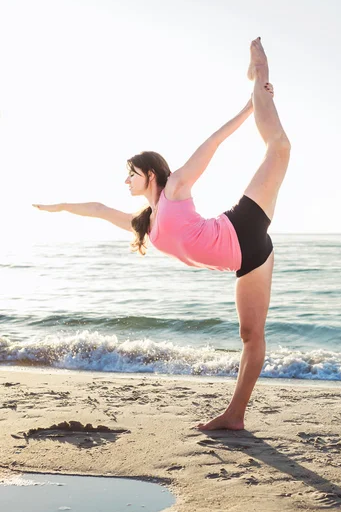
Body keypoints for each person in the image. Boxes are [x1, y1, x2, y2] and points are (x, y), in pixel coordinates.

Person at [33, 37, 291, 431]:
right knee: (250, 334)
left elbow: (214, 142)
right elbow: (100, 211)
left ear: (150, 174)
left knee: (279, 147)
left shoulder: (175, 189)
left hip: (244, 226)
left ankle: (261, 71)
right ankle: (235, 417)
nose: (126, 180)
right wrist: (60, 207)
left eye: (131, 174)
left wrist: (250, 104)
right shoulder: (147, 225)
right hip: (249, 259)